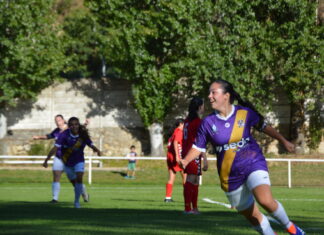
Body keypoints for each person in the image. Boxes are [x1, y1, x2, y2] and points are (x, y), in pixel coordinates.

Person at [180, 79, 305, 235]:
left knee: (265, 200)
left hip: (253, 162)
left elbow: (264, 127)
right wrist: (185, 160)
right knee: (252, 216)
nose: (210, 96)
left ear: (226, 96)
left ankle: (291, 228)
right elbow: (198, 147)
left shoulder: (244, 113)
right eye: (209, 93)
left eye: (214, 92)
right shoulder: (207, 123)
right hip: (229, 175)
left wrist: (284, 141)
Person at [47, 117, 101, 208]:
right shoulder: (64, 135)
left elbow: (90, 144)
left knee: (79, 178)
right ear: (69, 126)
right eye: (71, 125)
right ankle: (84, 193)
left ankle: (76, 202)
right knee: (74, 182)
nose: (74, 126)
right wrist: (47, 159)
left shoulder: (83, 135)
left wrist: (97, 150)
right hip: (67, 162)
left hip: (79, 160)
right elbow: (55, 147)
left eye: (76, 124)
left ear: (78, 125)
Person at [38, 115, 89, 203]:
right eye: (56, 120)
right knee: (56, 175)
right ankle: (55, 198)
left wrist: (85, 124)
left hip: (70, 158)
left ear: (64, 121)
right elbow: (49, 136)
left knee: (74, 181)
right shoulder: (57, 131)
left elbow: (80, 130)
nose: (58, 122)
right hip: (59, 157)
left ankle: (83, 192)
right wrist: (38, 137)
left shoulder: (69, 129)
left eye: (59, 120)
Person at [182, 97, 208, 214]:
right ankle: (188, 208)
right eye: (203, 105)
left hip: (186, 152)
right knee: (191, 179)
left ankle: (195, 208)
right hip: (193, 153)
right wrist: (205, 159)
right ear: (199, 107)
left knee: (195, 180)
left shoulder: (187, 121)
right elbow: (200, 142)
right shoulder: (198, 122)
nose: (204, 107)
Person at [165, 118, 186, 202]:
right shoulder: (179, 132)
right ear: (180, 124)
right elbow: (176, 143)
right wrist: (178, 156)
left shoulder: (173, 133)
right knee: (185, 176)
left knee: (171, 177)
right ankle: (187, 197)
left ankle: (167, 197)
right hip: (176, 157)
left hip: (170, 157)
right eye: (184, 124)